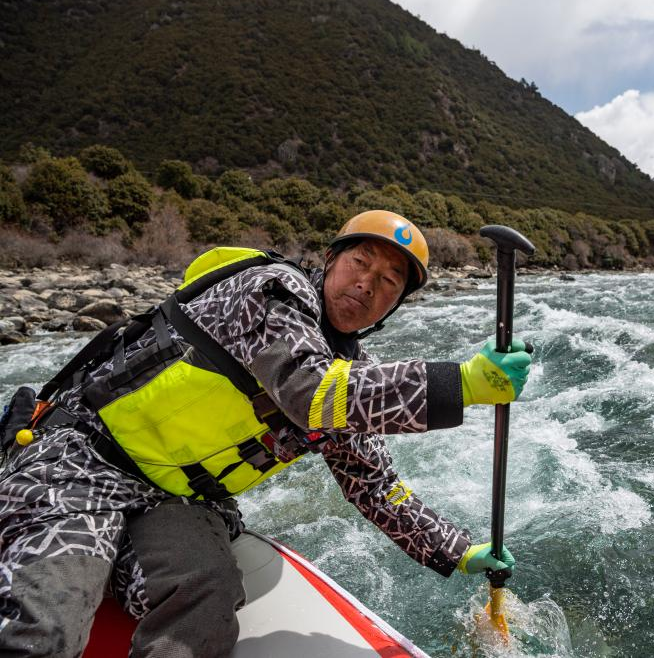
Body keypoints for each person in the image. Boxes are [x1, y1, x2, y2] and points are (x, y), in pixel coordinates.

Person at [0, 209, 531, 658]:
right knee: (46, 630)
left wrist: (460, 551)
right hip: (82, 463)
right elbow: (311, 393)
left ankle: (111, 560)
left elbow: (374, 486)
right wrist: (461, 383)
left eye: (390, 281)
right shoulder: (270, 290)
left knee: (208, 598)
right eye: (360, 262)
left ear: (394, 304)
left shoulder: (354, 371)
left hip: (171, 499)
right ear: (330, 260)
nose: (368, 283)